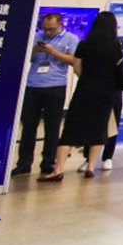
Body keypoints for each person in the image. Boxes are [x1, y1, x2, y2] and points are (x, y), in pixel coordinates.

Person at [50, 12, 123, 179]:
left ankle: (58, 170)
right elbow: (118, 69)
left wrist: (88, 79)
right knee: (99, 129)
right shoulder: (115, 46)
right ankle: (90, 167)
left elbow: (77, 67)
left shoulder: (84, 44)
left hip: (84, 90)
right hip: (106, 92)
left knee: (70, 129)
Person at [12, 12, 78, 178]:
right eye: (45, 29)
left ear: (60, 25)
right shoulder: (36, 37)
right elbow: (24, 59)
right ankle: (24, 163)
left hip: (55, 86)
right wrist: (35, 50)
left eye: (52, 29)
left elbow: (73, 61)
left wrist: (53, 52)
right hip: (33, 85)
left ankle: (48, 162)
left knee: (52, 126)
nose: (48, 32)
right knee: (28, 126)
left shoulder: (71, 39)